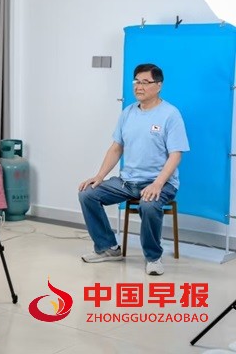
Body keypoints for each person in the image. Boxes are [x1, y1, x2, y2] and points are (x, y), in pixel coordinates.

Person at [78, 63, 189, 276]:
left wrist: (157, 184)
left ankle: (153, 258)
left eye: (145, 82)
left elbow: (176, 155)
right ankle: (108, 248)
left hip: (161, 182)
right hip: (127, 181)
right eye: (136, 81)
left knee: (149, 205)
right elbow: (116, 148)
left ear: (158, 85)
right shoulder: (127, 113)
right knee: (87, 193)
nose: (139, 86)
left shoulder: (170, 114)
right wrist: (99, 176)